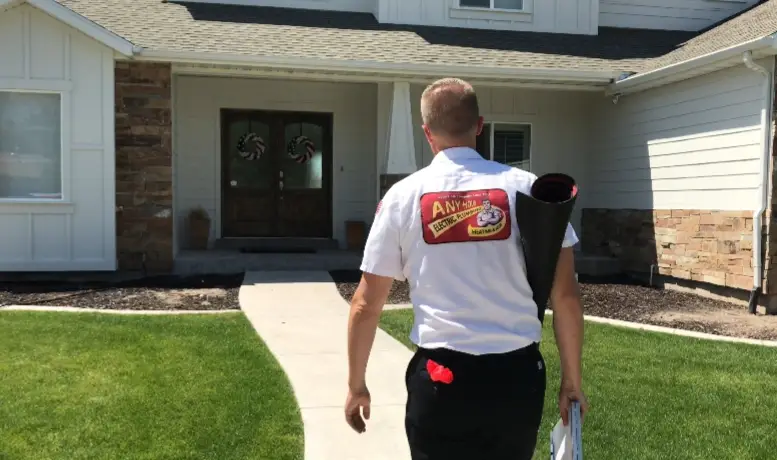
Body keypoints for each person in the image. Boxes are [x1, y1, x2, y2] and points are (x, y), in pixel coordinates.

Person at [344, 77, 588, 460]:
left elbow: (365, 303)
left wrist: (357, 384)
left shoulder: (404, 197)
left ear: (427, 133)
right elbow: (567, 297)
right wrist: (571, 381)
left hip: (441, 380)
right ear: (479, 125)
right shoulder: (529, 190)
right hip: (516, 379)